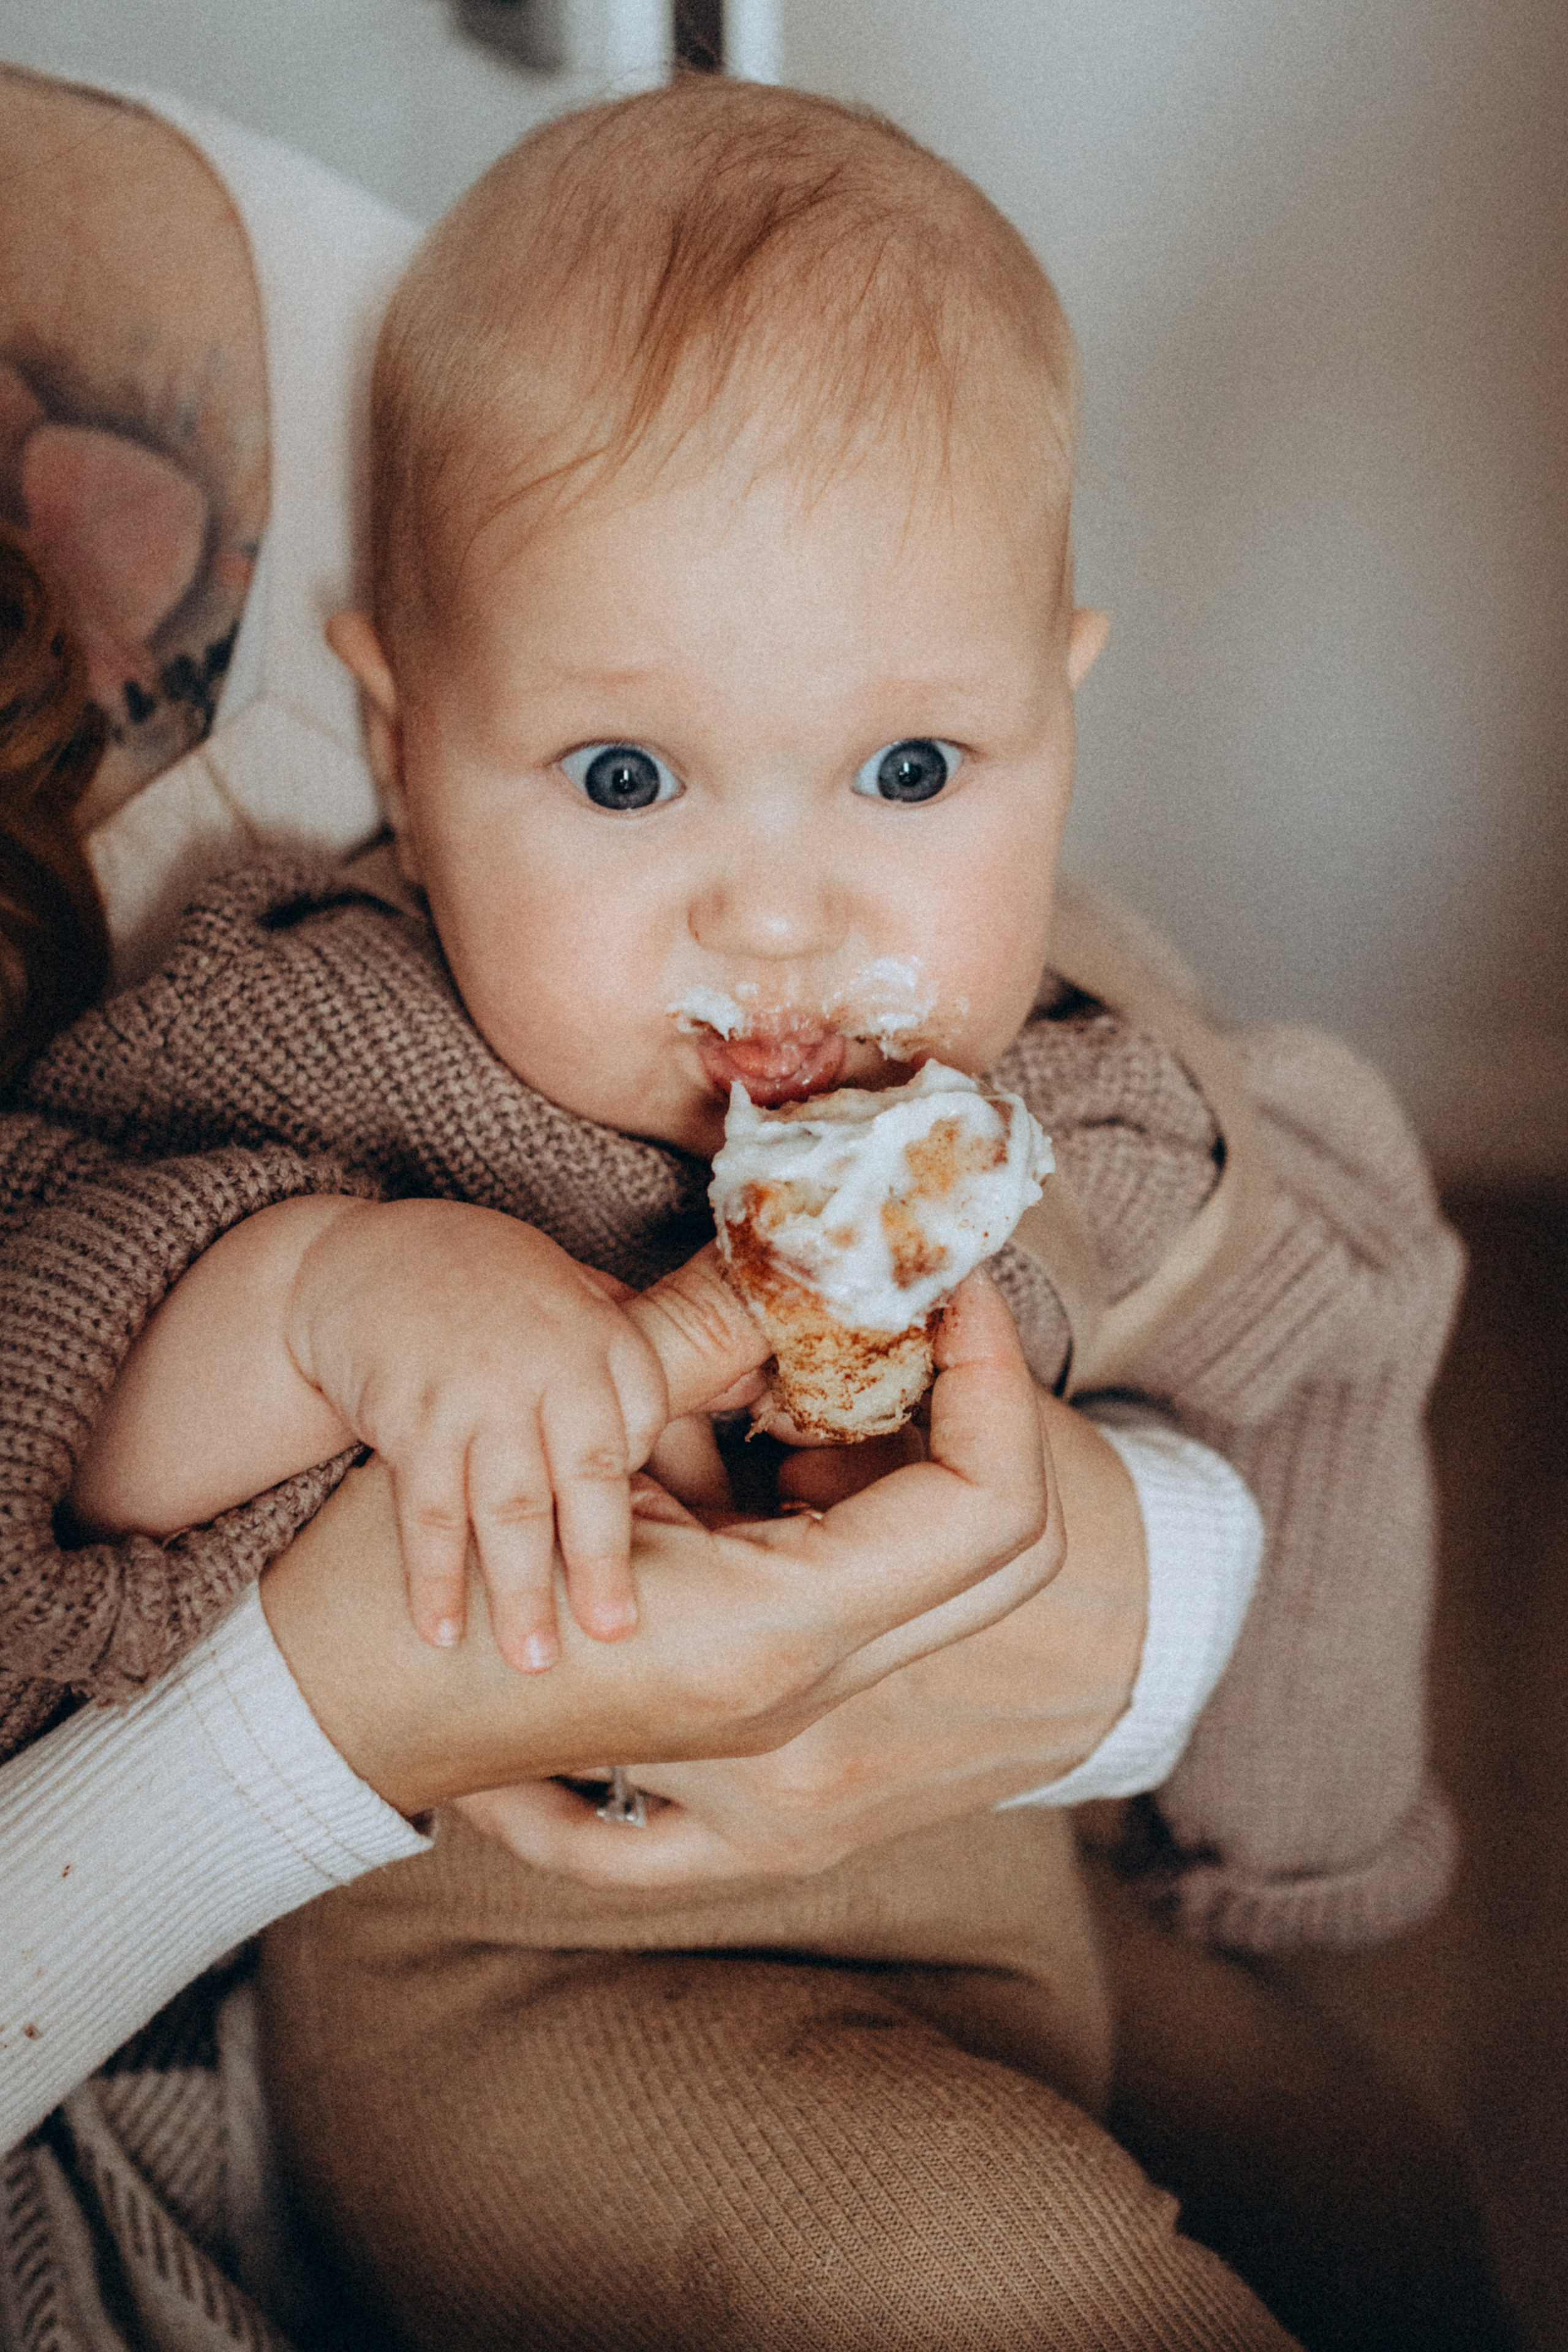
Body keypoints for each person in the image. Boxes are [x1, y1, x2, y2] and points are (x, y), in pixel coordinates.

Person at [0, 71, 1476, 2350]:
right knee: (1001, 2279)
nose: (779, 916)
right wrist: (326, 1298)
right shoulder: (338, 1030)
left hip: (1008, 1915)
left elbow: (1325, 1307)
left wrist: (1298, 1827)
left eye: (911, 770)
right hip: (527, 1999)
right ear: (401, 740)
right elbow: (53, 1379)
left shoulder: (1066, 1075)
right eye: (621, 778)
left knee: (1387, 2201)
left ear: (1056, 712)